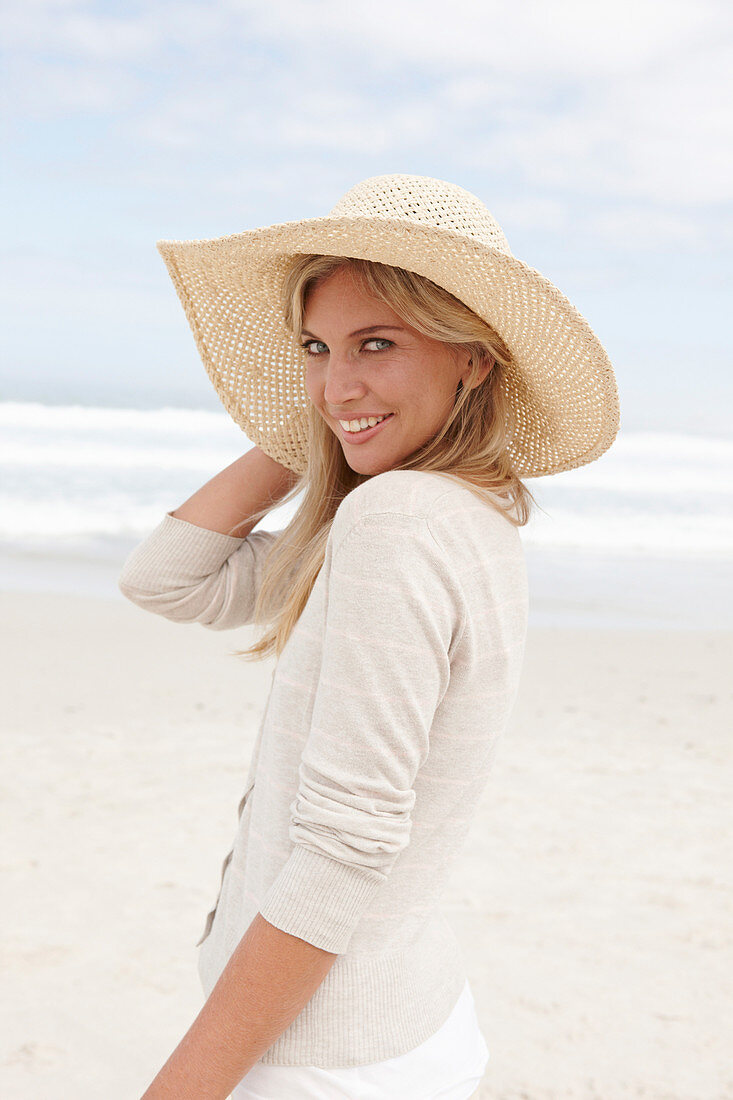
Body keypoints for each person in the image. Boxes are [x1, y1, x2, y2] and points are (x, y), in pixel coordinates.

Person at [118, 174, 620, 1100]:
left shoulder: (397, 525)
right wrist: (330, 416)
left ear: (473, 357)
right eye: (314, 348)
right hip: (400, 1018)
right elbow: (167, 580)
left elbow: (346, 849)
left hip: (318, 1059)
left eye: (376, 344)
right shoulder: (462, 513)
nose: (334, 380)